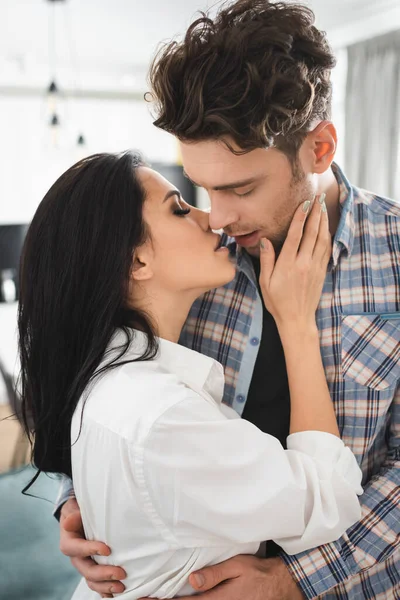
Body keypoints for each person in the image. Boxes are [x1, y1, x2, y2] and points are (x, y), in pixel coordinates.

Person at [58, 1, 400, 599]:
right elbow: (110, 374)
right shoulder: (189, 257)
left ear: (318, 149)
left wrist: (297, 582)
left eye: (240, 188)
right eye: (201, 187)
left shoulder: (394, 253)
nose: (217, 215)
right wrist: (81, 498)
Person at [18, 151, 362, 600]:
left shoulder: (108, 379)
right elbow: (331, 498)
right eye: (181, 208)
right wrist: (296, 322)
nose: (213, 218)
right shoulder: (164, 413)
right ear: (137, 263)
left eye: (240, 187)